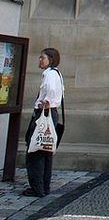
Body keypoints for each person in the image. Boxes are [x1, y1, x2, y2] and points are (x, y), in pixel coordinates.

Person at [24, 48, 65, 198]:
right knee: (45, 150)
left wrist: (45, 103)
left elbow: (52, 91)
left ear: (51, 60)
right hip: (50, 114)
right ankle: (43, 187)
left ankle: (37, 188)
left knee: (36, 150)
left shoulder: (50, 74)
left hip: (44, 114)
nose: (40, 60)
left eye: (43, 58)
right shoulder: (56, 74)